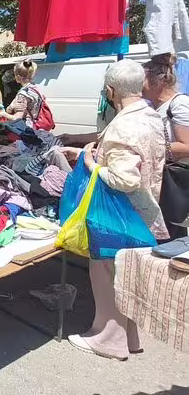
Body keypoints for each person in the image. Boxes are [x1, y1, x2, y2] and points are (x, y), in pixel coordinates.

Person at [61, 59, 169, 361]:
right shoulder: (150, 115)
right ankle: (129, 338)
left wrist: (92, 165)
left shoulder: (124, 124)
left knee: (106, 274)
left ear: (111, 89)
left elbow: (124, 178)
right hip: (145, 212)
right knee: (126, 279)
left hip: (120, 216)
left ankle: (107, 340)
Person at [143, 53, 189, 162]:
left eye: (142, 80)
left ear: (159, 81)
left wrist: (148, 146)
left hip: (178, 175)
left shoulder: (179, 103)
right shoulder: (150, 105)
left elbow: (187, 146)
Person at [0, 59, 47, 127]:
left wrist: (3, 114)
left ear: (18, 76)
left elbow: (17, 118)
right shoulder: (35, 89)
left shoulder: (23, 94)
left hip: (27, 128)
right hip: (36, 125)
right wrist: (11, 107)